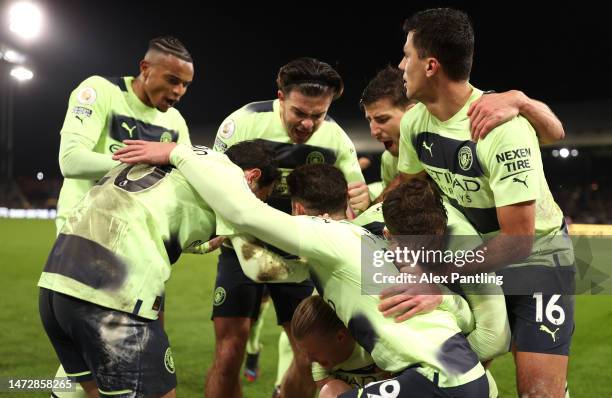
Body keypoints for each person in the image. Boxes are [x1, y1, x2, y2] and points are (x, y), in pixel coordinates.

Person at [113, 143, 493, 397]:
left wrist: (180, 152)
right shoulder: (376, 252)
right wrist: (445, 297)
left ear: (296, 209)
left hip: (439, 382)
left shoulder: (333, 237)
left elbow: (245, 213)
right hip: (472, 379)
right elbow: (467, 322)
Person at [396, 8, 575, 397]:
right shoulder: (413, 123)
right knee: (453, 382)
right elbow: (406, 194)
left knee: (538, 394)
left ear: (430, 66)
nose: (400, 65)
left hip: (537, 260)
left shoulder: (501, 129)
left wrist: (440, 271)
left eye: (406, 55)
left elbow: (518, 241)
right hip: (474, 257)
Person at [39, 140, 279, 398]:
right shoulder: (230, 176)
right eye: (261, 197)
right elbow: (259, 260)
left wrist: (203, 243)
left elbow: (157, 211)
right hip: (110, 296)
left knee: (90, 392)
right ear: (253, 177)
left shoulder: (188, 162)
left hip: (55, 283)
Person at [209, 57, 368, 398]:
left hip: (299, 256)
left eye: (318, 114)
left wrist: (358, 197)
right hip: (240, 247)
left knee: (309, 354)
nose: (309, 123)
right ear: (280, 97)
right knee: (229, 350)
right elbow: (210, 184)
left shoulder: (336, 139)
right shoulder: (243, 123)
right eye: (299, 112)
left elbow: (355, 203)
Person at [51, 35, 194, 398]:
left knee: (108, 341)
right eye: (172, 80)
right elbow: (71, 160)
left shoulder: (175, 122)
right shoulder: (100, 91)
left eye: (186, 85)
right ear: (145, 69)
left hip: (139, 242)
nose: (179, 91)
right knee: (114, 338)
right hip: (86, 233)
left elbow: (188, 180)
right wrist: (143, 161)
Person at [360, 66, 565, 203]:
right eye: (369, 121)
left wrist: (520, 100)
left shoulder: (483, 116)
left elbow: (555, 133)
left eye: (382, 119)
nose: (373, 132)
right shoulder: (390, 160)